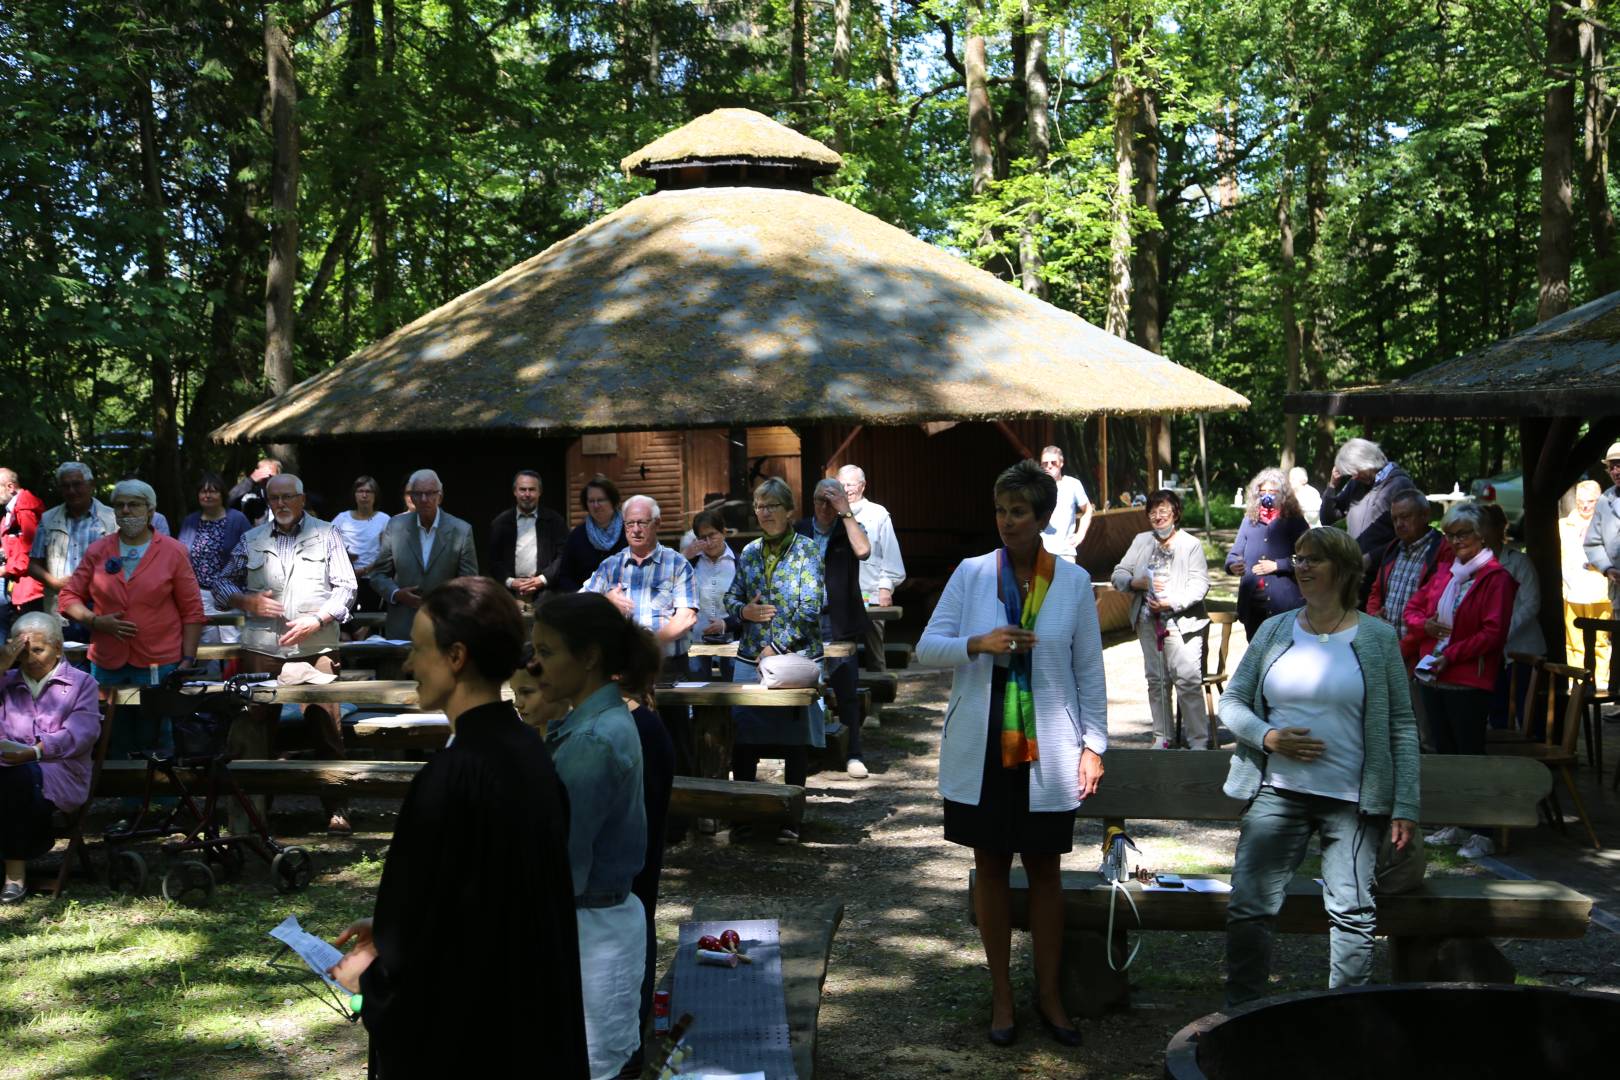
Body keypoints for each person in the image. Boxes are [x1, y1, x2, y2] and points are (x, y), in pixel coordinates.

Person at [327, 577, 586, 1079]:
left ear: (457, 656)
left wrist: (375, 975)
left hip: (472, 1038)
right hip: (528, 1017)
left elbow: (438, 949)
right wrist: (388, 935)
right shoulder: (528, 750)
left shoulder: (454, 774)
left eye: (419, 649)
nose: (408, 664)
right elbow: (479, 899)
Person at [917, 459, 1107, 1047]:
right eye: (1000, 510)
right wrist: (979, 643)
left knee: (1046, 871)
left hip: (1048, 742)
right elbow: (927, 647)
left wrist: (1094, 745)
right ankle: (1002, 995)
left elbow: (1088, 670)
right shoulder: (973, 573)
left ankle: (1049, 995)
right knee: (991, 867)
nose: (1005, 522)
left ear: (1044, 517)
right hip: (983, 743)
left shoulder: (1072, 582)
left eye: (1018, 512)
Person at [1219, 526, 1419, 1006]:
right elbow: (1232, 703)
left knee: (1352, 911)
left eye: (1315, 560)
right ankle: (1242, 1016)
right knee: (1249, 906)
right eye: (1299, 558)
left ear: (1344, 569)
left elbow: (1401, 726)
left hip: (1353, 800)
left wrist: (1405, 804)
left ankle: (1342, 1020)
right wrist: (1266, 736)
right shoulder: (1274, 630)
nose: (1302, 567)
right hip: (1278, 791)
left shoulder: (1376, 637)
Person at [530, 591, 654, 1080]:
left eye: (546, 653)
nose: (536, 667)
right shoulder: (589, 724)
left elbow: (562, 860)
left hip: (588, 932)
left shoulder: (593, 738)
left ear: (589, 657)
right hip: (594, 923)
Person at [214, 473, 358, 834]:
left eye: (287, 497)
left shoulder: (327, 534)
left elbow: (347, 588)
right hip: (263, 650)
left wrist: (319, 617)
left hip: (316, 648)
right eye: (273, 498)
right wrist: (244, 599)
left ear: (302, 499)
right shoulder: (251, 538)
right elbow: (220, 583)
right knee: (256, 733)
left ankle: (337, 806)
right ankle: (254, 812)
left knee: (327, 730)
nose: (280, 504)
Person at [57, 480, 205, 773]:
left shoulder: (173, 551)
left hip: (159, 660)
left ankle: (159, 805)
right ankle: (122, 806)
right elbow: (68, 597)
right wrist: (95, 621)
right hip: (108, 660)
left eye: (134, 504)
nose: (126, 510)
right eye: (120, 505)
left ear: (150, 511)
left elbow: (192, 611)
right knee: (114, 733)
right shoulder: (99, 550)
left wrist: (186, 659)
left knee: (157, 733)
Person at [725, 477, 827, 844]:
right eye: (759, 505)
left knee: (792, 739)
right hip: (750, 658)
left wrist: (777, 646)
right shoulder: (750, 551)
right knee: (744, 736)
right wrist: (744, 613)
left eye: (771, 506)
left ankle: (790, 817)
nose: (764, 512)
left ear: (789, 511)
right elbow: (731, 598)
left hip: (794, 658)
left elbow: (810, 608)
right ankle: (743, 815)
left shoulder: (808, 551)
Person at [581, 494, 697, 784]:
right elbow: (579, 607)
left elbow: (686, 617)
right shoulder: (610, 566)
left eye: (642, 522)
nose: (635, 529)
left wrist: (648, 646)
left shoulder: (677, 564)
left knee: (676, 738)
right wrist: (605, 599)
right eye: (629, 523)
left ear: (656, 523)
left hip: (668, 666)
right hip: (623, 673)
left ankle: (688, 813)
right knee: (629, 739)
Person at [0, 613, 102, 904]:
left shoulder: (82, 684)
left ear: (58, 648)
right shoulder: (6, 680)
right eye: (22, 650)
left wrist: (35, 752)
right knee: (11, 777)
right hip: (7, 767)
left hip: (60, 769)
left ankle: (14, 876)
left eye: (38, 649)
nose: (29, 658)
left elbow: (80, 735)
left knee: (15, 778)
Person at [1402, 503, 1517, 757]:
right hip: (1431, 676)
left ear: (1481, 534)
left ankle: (1472, 799)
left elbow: (1493, 634)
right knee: (1442, 753)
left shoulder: (1497, 579)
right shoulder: (1446, 573)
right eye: (1450, 535)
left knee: (1467, 755)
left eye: (1463, 533)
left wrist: (1451, 656)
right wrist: (1426, 626)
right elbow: (1411, 611)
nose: (1455, 541)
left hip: (1468, 681)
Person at [1111, 489, 1211, 749]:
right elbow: (1118, 573)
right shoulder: (1142, 541)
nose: (1158, 516)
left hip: (1182, 624)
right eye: (1153, 512)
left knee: (1187, 681)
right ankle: (1162, 737)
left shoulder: (1190, 544)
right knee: (1157, 681)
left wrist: (1171, 602)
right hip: (1147, 623)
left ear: (1175, 513)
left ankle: (1198, 741)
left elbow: (1200, 585)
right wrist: (1135, 582)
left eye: (1163, 510)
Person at [796, 478, 873, 778]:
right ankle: (811, 753)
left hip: (840, 619)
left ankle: (854, 753)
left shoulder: (849, 526)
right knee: (804, 689)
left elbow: (864, 551)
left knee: (846, 689)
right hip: (805, 620)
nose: (825, 507)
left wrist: (846, 512)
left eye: (832, 500)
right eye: (820, 500)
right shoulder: (799, 530)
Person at [368, 469, 479, 640]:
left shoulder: (461, 530)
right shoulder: (396, 526)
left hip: (445, 626)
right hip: (402, 628)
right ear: (410, 498)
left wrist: (445, 601)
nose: (424, 499)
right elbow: (377, 574)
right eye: (418, 494)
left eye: (430, 493)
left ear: (439, 497)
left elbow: (469, 582)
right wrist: (396, 594)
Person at [1318, 437, 1420, 599]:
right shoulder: (1356, 484)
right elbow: (1328, 518)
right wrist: (1332, 486)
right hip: (1357, 573)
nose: (1353, 476)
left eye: (1355, 471)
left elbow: (1409, 536)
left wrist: (1370, 558)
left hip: (1385, 574)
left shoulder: (1399, 485)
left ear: (1368, 462)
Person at [1225, 468, 1309, 641]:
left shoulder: (1295, 521)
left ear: (1283, 494)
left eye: (1272, 491)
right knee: (1256, 653)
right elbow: (1234, 554)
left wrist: (1279, 565)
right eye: (1262, 492)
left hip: (1285, 603)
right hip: (1253, 602)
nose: (1267, 496)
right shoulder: (1249, 520)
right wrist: (1233, 565)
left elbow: (1308, 558)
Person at [26, 462, 116, 620]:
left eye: (77, 484)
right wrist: (54, 583)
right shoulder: (48, 519)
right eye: (65, 486)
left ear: (91, 485)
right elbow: (33, 565)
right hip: (61, 603)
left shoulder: (112, 519)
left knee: (99, 644)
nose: (71, 491)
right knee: (64, 645)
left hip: (103, 602)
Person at [838, 464, 905, 671]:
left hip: (872, 593)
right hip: (840, 594)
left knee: (875, 651)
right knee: (841, 651)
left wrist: (886, 587)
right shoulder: (831, 515)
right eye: (842, 485)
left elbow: (891, 555)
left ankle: (880, 691)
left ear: (863, 486)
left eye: (851, 484)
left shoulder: (878, 514)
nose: (847, 489)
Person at [177, 472, 252, 646]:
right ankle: (210, 675)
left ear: (222, 495)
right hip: (200, 593)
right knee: (205, 642)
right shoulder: (190, 521)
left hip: (231, 592)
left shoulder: (237, 519)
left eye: (213, 491)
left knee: (233, 640)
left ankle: (232, 675)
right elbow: (180, 555)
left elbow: (253, 551)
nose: (207, 495)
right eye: (203, 492)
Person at [1365, 492, 1450, 628]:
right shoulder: (1393, 550)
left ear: (1425, 515)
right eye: (1394, 519)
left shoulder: (1443, 551)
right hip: (1388, 643)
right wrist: (1374, 614)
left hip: (1420, 644)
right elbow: (1376, 592)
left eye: (1405, 517)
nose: (1399, 524)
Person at [491, 470, 569, 609]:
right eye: (522, 489)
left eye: (532, 490)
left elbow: (563, 556)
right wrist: (510, 582)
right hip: (510, 593)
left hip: (546, 592)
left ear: (540, 492)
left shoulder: (555, 521)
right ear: (515, 491)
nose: (527, 494)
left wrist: (542, 580)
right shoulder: (501, 523)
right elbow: (494, 560)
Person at [1562, 479, 1612, 677]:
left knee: (1600, 640)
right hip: (1571, 591)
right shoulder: (1563, 525)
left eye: (1590, 501)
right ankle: (1576, 682)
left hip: (1600, 592)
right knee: (1574, 641)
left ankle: (1601, 681)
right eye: (1581, 500)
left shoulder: (1607, 524)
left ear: (1598, 501)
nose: (1584, 505)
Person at [553, 475, 628, 594]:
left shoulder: (629, 531)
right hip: (586, 602)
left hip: (625, 600)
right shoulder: (577, 535)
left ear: (613, 501)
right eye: (591, 501)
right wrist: (582, 595)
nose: (596, 505)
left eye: (601, 500)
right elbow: (564, 577)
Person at [686, 508, 737, 681]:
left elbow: (747, 603)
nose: (708, 542)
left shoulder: (739, 561)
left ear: (723, 532)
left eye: (713, 535)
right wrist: (685, 558)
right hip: (697, 642)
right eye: (702, 538)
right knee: (698, 695)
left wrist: (727, 624)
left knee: (735, 691)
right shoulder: (691, 563)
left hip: (732, 641)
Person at [330, 476, 390, 613]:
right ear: (354, 495)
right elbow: (328, 544)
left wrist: (364, 570)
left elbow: (387, 553)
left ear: (375, 496)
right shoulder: (341, 518)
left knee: (371, 618)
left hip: (374, 579)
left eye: (369, 492)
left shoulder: (384, 519)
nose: (364, 495)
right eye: (360, 491)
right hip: (345, 579)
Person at [0, 468, 45, 638]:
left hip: (32, 588)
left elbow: (32, 552)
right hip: (22, 586)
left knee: (34, 636)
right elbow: (18, 545)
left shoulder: (25, 510)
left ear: (10, 486)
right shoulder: (13, 511)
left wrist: (5, 570)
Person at [1582, 440, 1620, 626]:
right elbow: (1592, 542)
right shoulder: (1605, 500)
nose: (1616, 471)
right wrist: (1608, 568)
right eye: (1612, 467)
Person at [1038, 445, 1094, 562]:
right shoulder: (1035, 487)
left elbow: (1087, 509)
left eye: (1053, 462)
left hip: (1065, 553)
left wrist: (1080, 535)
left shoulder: (1073, 484)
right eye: (1045, 463)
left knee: (1066, 581)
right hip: (1040, 553)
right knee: (1040, 582)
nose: (1049, 466)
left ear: (1061, 463)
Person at [227, 457, 281, 525]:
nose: (267, 478)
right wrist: (250, 481)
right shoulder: (249, 496)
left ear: (279, 476)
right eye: (262, 474)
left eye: (271, 475)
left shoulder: (287, 495)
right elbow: (226, 502)